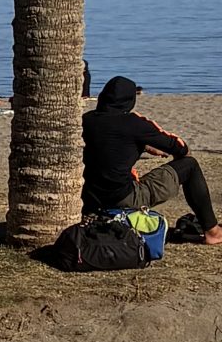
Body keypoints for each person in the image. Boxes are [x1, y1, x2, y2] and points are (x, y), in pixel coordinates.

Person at [82, 78, 222, 243]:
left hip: (89, 197)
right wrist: (146, 140)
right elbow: (180, 147)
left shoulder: (86, 120)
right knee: (189, 166)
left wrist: (142, 146)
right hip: (122, 197)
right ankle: (213, 232)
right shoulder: (133, 123)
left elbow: (108, 148)